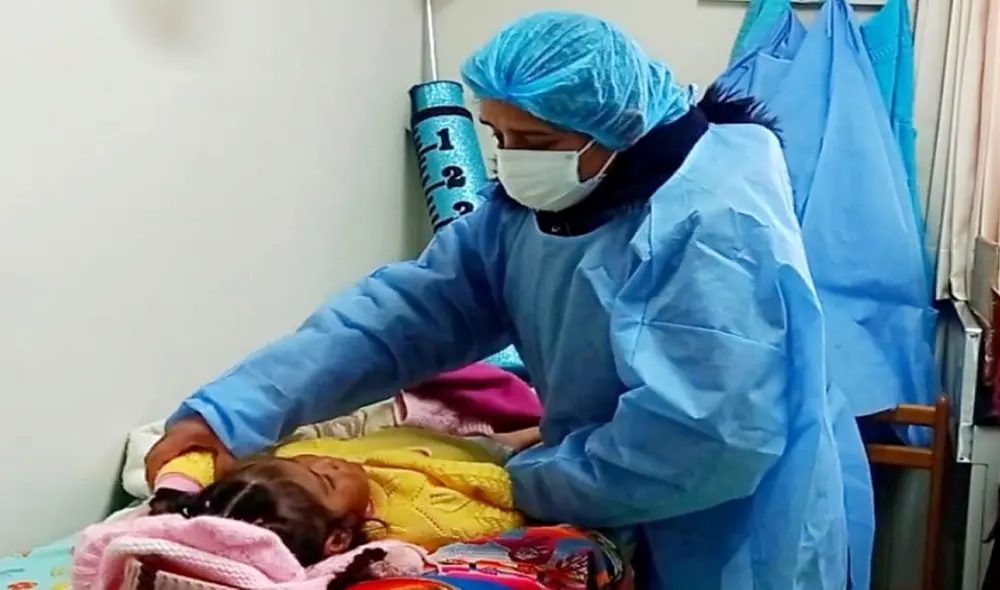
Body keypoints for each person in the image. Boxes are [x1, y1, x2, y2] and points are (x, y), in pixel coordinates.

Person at [145, 10, 874, 590]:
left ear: (615, 132)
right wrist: (234, 409)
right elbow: (408, 313)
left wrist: (517, 481)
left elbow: (708, 442)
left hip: (730, 534)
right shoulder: (545, 198)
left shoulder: (715, 224)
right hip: (604, 499)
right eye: (496, 135)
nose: (510, 159)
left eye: (534, 139)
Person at [149, 426, 537, 551]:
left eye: (299, 463)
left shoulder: (291, 464)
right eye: (326, 478)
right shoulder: (421, 523)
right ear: (338, 537)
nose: (324, 462)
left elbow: (197, 455)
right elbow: (508, 508)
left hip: (431, 436)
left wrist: (171, 493)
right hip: (480, 465)